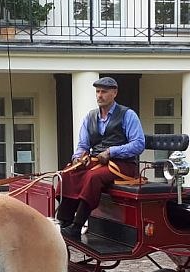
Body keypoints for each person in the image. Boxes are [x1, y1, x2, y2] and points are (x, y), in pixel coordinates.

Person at [56, 77, 146, 238]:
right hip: (97, 162)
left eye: (104, 92)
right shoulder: (90, 117)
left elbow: (138, 144)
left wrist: (112, 152)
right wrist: (78, 158)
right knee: (68, 173)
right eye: (97, 92)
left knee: (92, 177)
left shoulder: (128, 115)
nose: (99, 95)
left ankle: (77, 227)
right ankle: (64, 222)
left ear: (114, 93)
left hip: (123, 165)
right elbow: (83, 145)